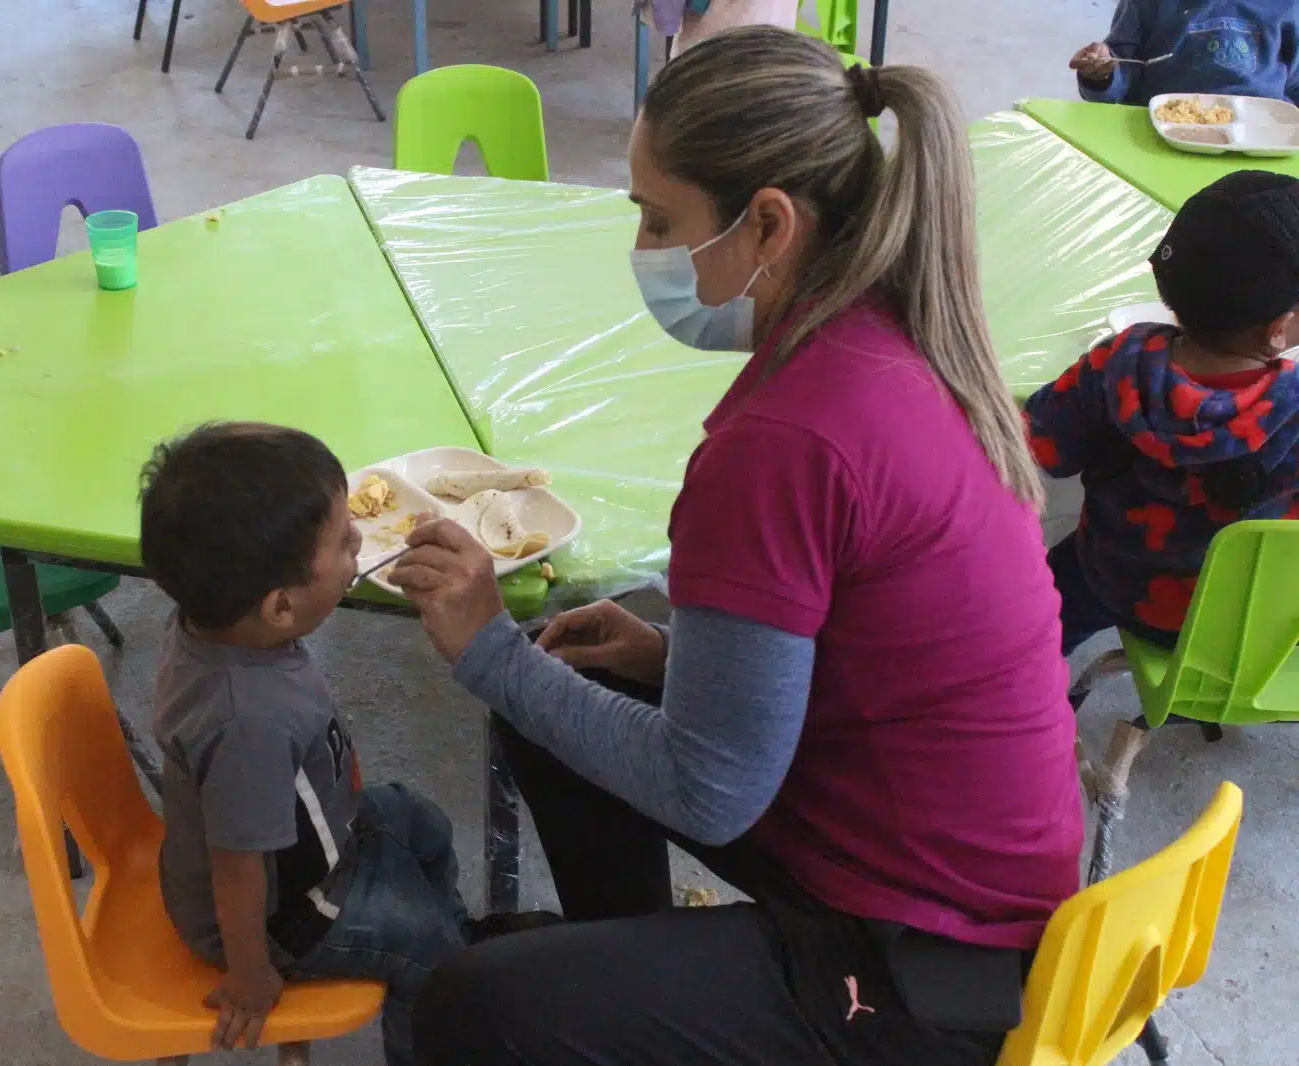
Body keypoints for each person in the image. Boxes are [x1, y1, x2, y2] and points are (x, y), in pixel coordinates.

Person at [389, 26, 1085, 1066]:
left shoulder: (783, 441)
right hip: (968, 867)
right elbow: (867, 648)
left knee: (462, 1007)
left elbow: (708, 789)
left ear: (768, 223)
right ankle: (634, 979)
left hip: (936, 966)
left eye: (658, 218)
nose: (642, 247)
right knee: (560, 680)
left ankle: (639, 1008)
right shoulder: (897, 330)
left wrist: (479, 647)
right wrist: (672, 662)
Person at [139, 422, 475, 1066]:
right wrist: (251, 973)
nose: (360, 545)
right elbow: (237, 871)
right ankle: (438, 1016)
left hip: (315, 834)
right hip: (277, 916)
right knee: (429, 956)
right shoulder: (247, 724)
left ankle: (454, 937)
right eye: (346, 544)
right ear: (280, 608)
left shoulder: (223, 625)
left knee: (422, 822)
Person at [1026, 171, 1299, 657]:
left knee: (1042, 607)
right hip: (1220, 623)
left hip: (1106, 573)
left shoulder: (1117, 360)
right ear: (1278, 330)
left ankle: (1028, 672)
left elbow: (1043, 447)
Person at [1070, 0, 1299, 106]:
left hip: (1263, 136)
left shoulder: (1287, 6)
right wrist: (1101, 75)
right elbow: (1121, 74)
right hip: (1163, 130)